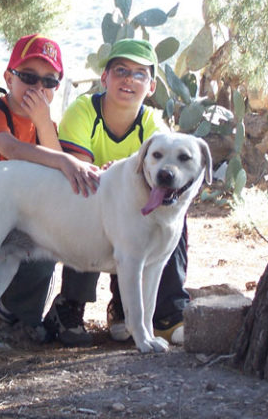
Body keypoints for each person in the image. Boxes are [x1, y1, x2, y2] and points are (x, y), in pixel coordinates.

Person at [42, 38, 190, 347]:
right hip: (85, 199)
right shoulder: (83, 111)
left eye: (140, 74)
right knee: (92, 204)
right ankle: (70, 306)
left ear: (151, 87)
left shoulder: (152, 124)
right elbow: (80, 174)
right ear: (105, 78)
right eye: (121, 70)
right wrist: (110, 173)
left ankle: (161, 315)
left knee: (168, 215)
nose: (129, 79)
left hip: (130, 206)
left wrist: (123, 174)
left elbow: (156, 179)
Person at [0, 33, 100, 340]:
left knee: (74, 228)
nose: (38, 88)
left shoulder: (44, 125)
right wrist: (64, 161)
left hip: (20, 215)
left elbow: (55, 170)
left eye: (49, 82)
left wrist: (42, 122)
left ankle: (53, 310)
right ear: (9, 78)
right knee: (40, 247)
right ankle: (12, 317)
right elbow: (10, 148)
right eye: (28, 77)